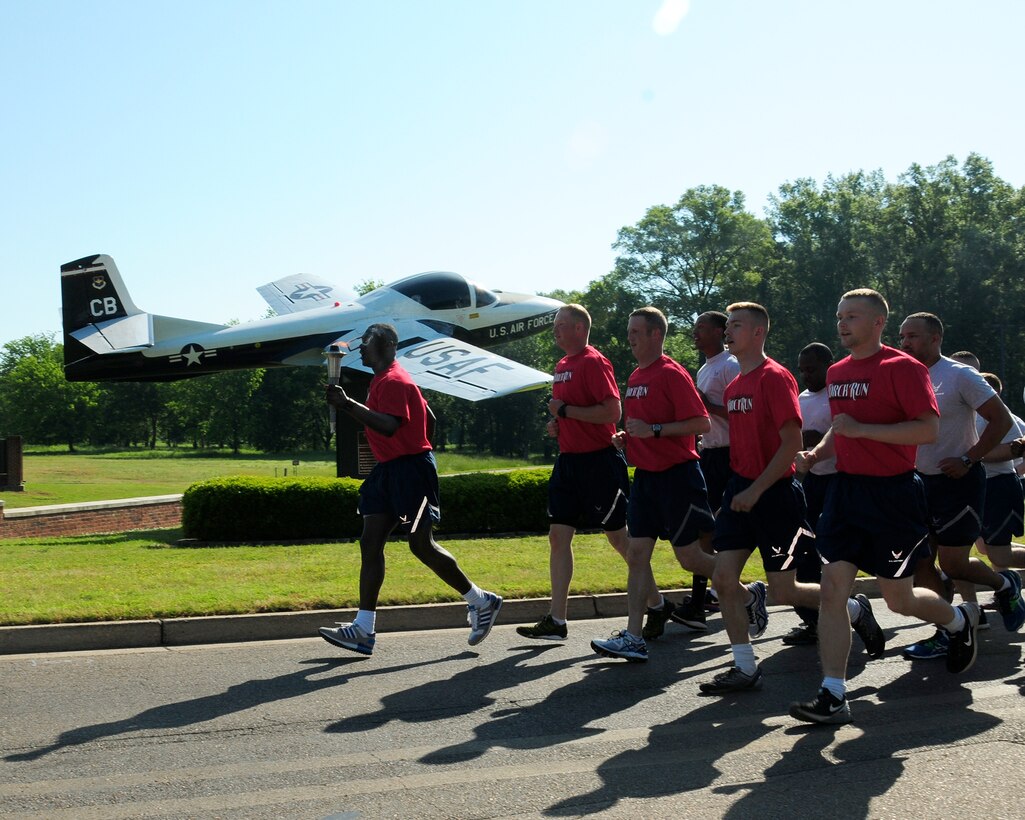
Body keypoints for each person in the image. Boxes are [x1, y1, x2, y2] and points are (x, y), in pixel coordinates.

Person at [790, 290, 980, 725]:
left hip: (893, 496)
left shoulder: (904, 368)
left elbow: (926, 431)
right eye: (839, 316)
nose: (842, 323)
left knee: (899, 599)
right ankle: (833, 693)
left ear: (877, 323)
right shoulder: (837, 372)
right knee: (834, 590)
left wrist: (863, 430)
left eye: (852, 316)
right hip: (845, 493)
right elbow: (842, 429)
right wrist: (817, 454)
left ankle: (957, 620)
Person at [698, 303, 866, 696]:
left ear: (757, 333)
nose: (728, 332)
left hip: (774, 496)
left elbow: (791, 443)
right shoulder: (736, 385)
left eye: (736, 326)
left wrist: (756, 489)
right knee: (723, 579)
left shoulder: (775, 378)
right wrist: (736, 492)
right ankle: (744, 667)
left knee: (784, 591)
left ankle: (855, 609)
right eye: (728, 326)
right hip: (741, 491)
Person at [319, 323, 502, 656]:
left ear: (388, 344)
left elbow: (389, 426)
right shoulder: (386, 380)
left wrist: (348, 405)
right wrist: (415, 441)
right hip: (390, 470)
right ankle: (363, 630)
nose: (361, 348)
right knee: (370, 541)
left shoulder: (394, 380)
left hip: (410, 472)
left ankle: (481, 601)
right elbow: (427, 415)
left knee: (421, 545)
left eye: (368, 342)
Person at [517, 304, 654, 641]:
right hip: (568, 462)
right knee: (557, 536)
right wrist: (557, 423)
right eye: (555, 325)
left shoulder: (594, 361)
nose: (555, 330)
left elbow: (612, 411)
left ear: (580, 328)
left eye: (562, 325)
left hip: (599, 462)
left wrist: (564, 410)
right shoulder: (561, 365)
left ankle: (658, 603)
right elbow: (573, 414)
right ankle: (557, 621)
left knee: (620, 539)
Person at [590, 307, 718, 662]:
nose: (629, 337)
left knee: (690, 557)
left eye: (636, 331)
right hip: (646, 478)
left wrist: (655, 431)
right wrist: (626, 437)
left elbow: (701, 423)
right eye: (629, 331)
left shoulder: (671, 373)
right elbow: (643, 424)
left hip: (678, 477)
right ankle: (633, 636)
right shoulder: (636, 375)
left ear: (655, 335)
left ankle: (749, 594)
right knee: (636, 553)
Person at [898, 313, 1025, 661]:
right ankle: (948, 629)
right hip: (915, 483)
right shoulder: (898, 375)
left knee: (953, 564)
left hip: (959, 482)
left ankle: (1006, 585)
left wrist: (969, 459)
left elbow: (1000, 420)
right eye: (902, 336)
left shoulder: (958, 375)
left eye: (913, 336)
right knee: (921, 564)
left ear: (936, 338)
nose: (905, 343)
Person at [670, 311, 740, 631]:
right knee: (707, 529)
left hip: (731, 456)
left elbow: (742, 414)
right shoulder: (703, 369)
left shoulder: (730, 366)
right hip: (708, 456)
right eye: (694, 328)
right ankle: (706, 598)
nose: (694, 333)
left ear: (719, 332)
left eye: (701, 328)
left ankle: (706, 601)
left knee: (710, 531)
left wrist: (705, 406)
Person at [784, 342, 836, 646]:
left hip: (841, 481)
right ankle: (814, 620)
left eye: (812, 368)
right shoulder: (802, 398)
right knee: (802, 551)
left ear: (829, 363)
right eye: (802, 369)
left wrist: (819, 440)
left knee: (833, 551)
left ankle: (845, 609)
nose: (805, 375)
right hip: (812, 482)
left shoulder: (838, 395)